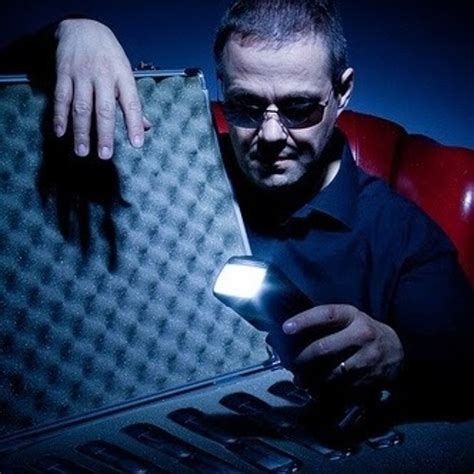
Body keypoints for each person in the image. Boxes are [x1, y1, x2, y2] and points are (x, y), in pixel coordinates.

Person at [5, 0, 474, 417]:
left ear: (343, 91)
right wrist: (73, 32)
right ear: (222, 88)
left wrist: (400, 354)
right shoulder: (175, 171)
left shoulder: (404, 237)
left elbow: (464, 366)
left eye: (299, 109)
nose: (269, 136)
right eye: (246, 106)